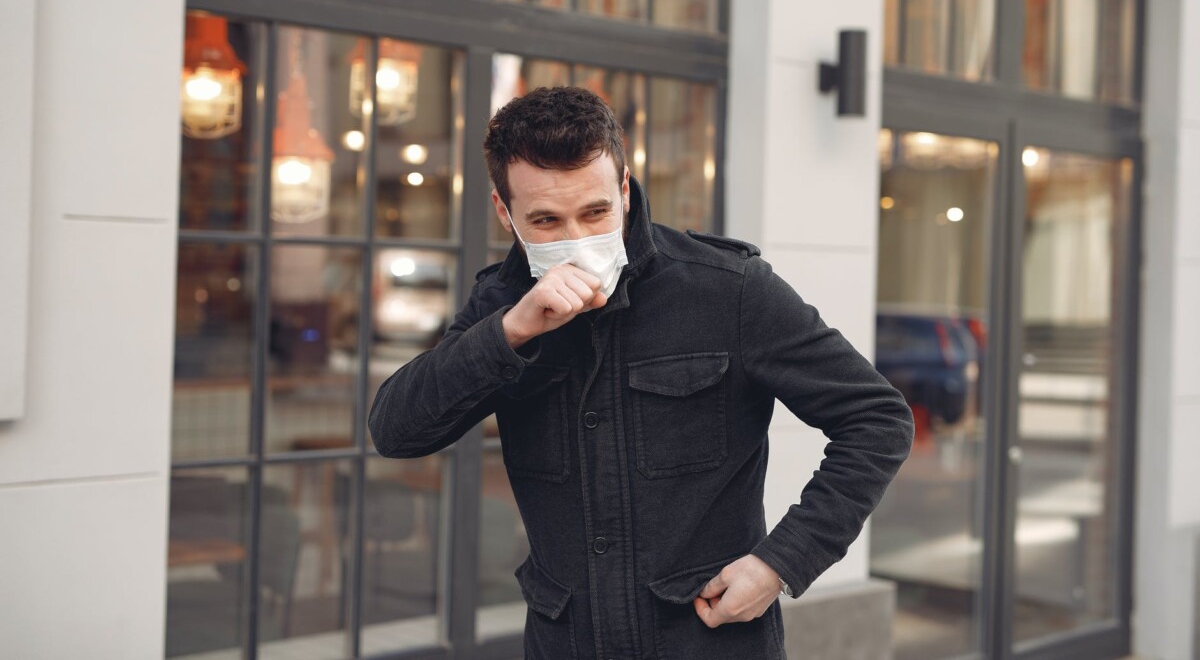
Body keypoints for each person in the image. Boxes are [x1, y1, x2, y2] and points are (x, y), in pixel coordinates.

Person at [368, 85, 915, 660]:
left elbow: (878, 420)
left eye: (596, 211)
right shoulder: (501, 303)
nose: (577, 240)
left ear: (624, 190)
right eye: (547, 220)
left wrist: (781, 562)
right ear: (506, 213)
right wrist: (512, 331)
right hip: (565, 645)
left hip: (711, 644)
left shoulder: (728, 291)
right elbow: (397, 431)